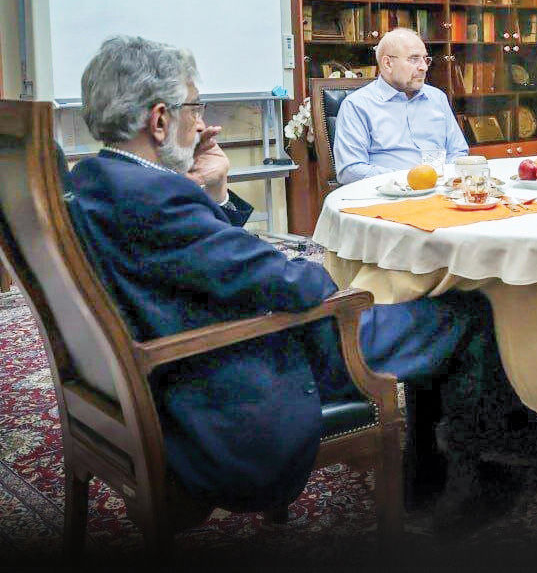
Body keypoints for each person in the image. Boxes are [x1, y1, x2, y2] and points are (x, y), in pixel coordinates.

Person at [67, 36, 514, 518]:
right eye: (195, 108)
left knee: (416, 305)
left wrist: (216, 192)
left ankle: (431, 465)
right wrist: (328, 283)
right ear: (159, 121)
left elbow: (205, 261)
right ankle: (458, 485)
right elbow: (291, 283)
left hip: (186, 355)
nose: (201, 124)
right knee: (466, 311)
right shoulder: (156, 198)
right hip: (249, 369)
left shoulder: (96, 180)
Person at [332, 27, 470, 184]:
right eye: (414, 59)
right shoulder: (357, 105)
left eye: (425, 59)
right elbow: (350, 171)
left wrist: (443, 179)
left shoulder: (437, 98)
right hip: (386, 194)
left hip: (440, 190)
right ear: (388, 64)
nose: (424, 67)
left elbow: (458, 152)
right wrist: (408, 179)